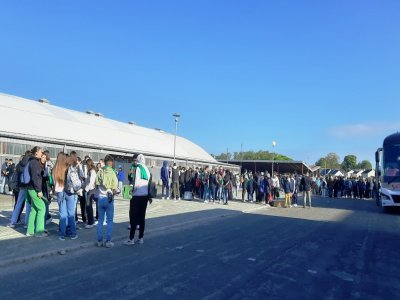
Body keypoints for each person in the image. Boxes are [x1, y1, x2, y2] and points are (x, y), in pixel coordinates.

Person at [124, 153, 151, 246]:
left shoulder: (137, 168)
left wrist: (132, 190)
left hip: (136, 196)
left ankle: (131, 239)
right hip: (145, 196)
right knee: (142, 217)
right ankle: (141, 238)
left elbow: (136, 182)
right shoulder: (147, 169)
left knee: (133, 217)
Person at [96, 154, 118, 248]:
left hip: (100, 198)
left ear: (105, 162)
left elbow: (96, 185)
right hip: (109, 199)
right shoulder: (113, 173)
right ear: (111, 163)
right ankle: (108, 241)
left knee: (100, 221)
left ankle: (99, 241)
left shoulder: (100, 171)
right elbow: (115, 189)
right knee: (109, 221)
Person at [26, 146, 48, 237]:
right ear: (36, 153)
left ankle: (30, 231)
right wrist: (39, 190)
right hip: (34, 189)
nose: (42, 153)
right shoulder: (34, 162)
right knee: (42, 208)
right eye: (40, 152)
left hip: (31, 188)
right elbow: (36, 177)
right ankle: (39, 231)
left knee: (34, 209)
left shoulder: (32, 161)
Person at [53, 152, 70, 240]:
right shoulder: (65, 168)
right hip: (65, 191)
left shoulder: (55, 168)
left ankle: (61, 231)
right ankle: (65, 232)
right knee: (66, 213)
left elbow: (53, 182)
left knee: (62, 213)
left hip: (58, 192)